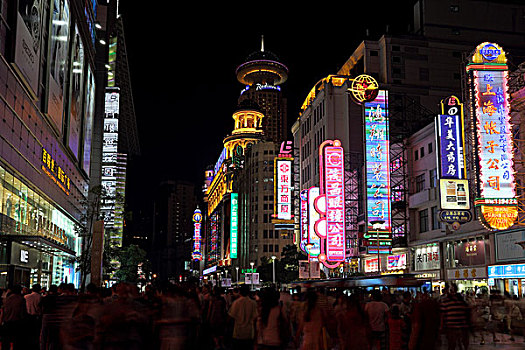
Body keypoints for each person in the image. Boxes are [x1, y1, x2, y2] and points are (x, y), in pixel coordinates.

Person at [440, 283, 470, 350]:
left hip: (453, 327)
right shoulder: (462, 302)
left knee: (453, 345)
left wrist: (441, 327)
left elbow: (442, 316)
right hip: (459, 327)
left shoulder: (445, 302)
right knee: (458, 345)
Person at [228, 284, 258, 350]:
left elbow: (231, 317)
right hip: (249, 333)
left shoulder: (236, 303)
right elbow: (255, 318)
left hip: (238, 332)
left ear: (240, 292)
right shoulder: (253, 303)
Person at [1, 285, 27, 350]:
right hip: (17, 322)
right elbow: (22, 313)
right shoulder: (21, 299)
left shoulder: (7, 299)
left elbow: (3, 311)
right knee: (17, 342)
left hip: (6, 322)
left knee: (5, 342)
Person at [24, 283, 43, 348]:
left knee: (28, 333)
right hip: (37, 317)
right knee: (36, 333)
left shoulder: (26, 297)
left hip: (28, 316)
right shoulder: (40, 297)